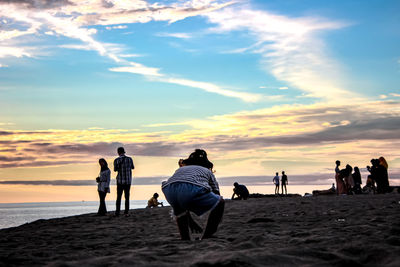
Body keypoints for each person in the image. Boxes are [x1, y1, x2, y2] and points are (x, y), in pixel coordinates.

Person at [162, 149, 224, 240]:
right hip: (191, 187)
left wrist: (191, 222)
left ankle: (185, 237)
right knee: (220, 202)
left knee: (179, 208)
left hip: (169, 188)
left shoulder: (181, 169)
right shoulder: (207, 171)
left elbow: (183, 197)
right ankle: (207, 236)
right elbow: (216, 194)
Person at [114, 147, 135, 216]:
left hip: (120, 181)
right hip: (128, 181)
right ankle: (126, 212)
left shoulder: (116, 160)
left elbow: (115, 169)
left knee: (119, 197)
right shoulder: (129, 159)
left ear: (118, 152)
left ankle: (117, 212)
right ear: (124, 152)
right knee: (127, 197)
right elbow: (132, 167)